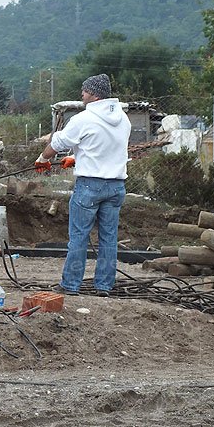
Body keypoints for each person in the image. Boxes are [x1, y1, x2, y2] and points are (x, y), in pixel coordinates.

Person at [34, 73, 131, 297]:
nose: (82, 94)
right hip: (116, 186)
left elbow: (57, 143)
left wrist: (43, 159)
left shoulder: (84, 119)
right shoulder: (123, 119)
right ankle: (104, 286)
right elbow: (105, 149)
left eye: (85, 91)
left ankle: (70, 285)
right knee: (109, 238)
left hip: (90, 186)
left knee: (79, 236)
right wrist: (78, 158)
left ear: (95, 95)